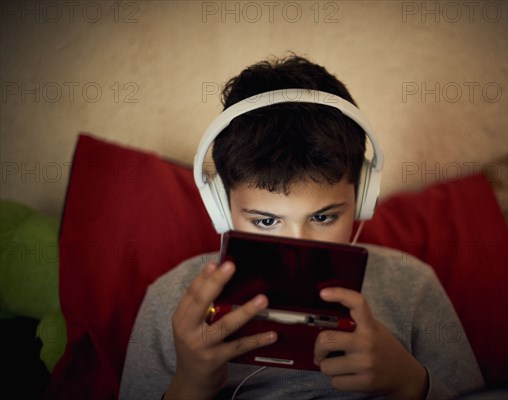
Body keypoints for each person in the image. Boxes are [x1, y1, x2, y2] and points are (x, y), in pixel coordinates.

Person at [119, 55, 484, 399]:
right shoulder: (171, 302)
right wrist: (189, 386)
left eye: (323, 217)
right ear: (222, 209)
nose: (297, 249)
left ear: (363, 196)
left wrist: (410, 382)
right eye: (266, 221)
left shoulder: (412, 286)